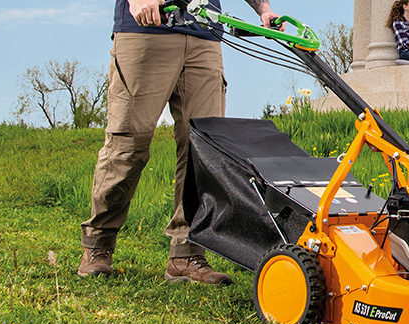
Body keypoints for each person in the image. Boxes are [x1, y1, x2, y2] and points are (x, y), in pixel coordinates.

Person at [77, 0, 279, 284]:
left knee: (203, 149)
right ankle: (98, 243)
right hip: (146, 30)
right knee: (129, 143)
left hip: (204, 36)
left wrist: (264, 9)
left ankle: (186, 253)